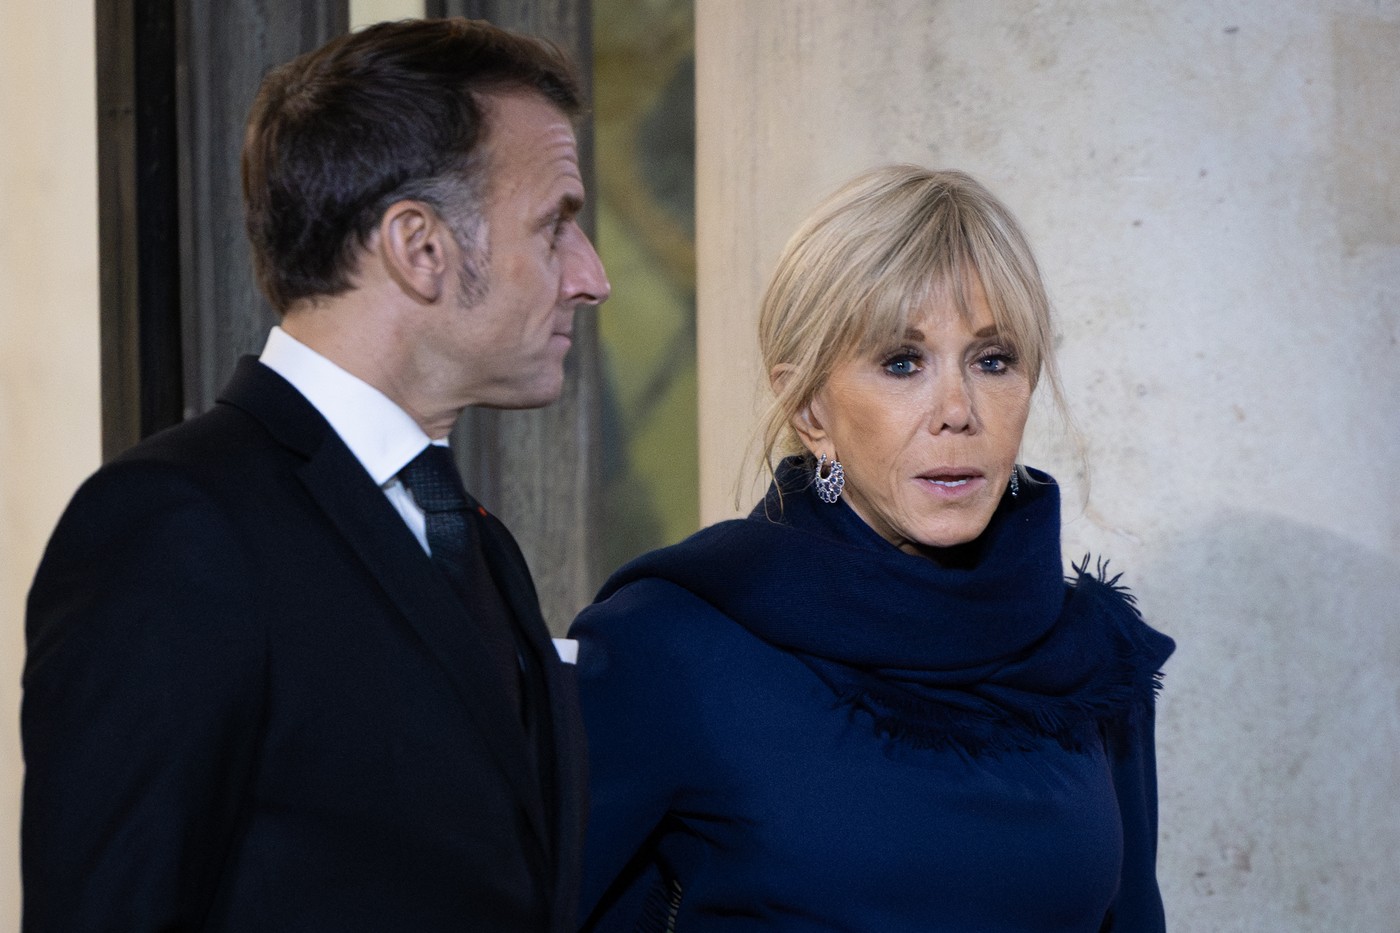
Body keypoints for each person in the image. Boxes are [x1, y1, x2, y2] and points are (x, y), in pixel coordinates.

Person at [22, 18, 609, 932]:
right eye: (555, 225)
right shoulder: (173, 525)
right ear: (419, 247)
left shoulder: (473, 535)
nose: (591, 276)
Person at [570, 165, 1175, 931]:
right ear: (810, 408)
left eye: (993, 360)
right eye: (902, 362)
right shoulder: (667, 646)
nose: (958, 411)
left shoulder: (1085, 655)